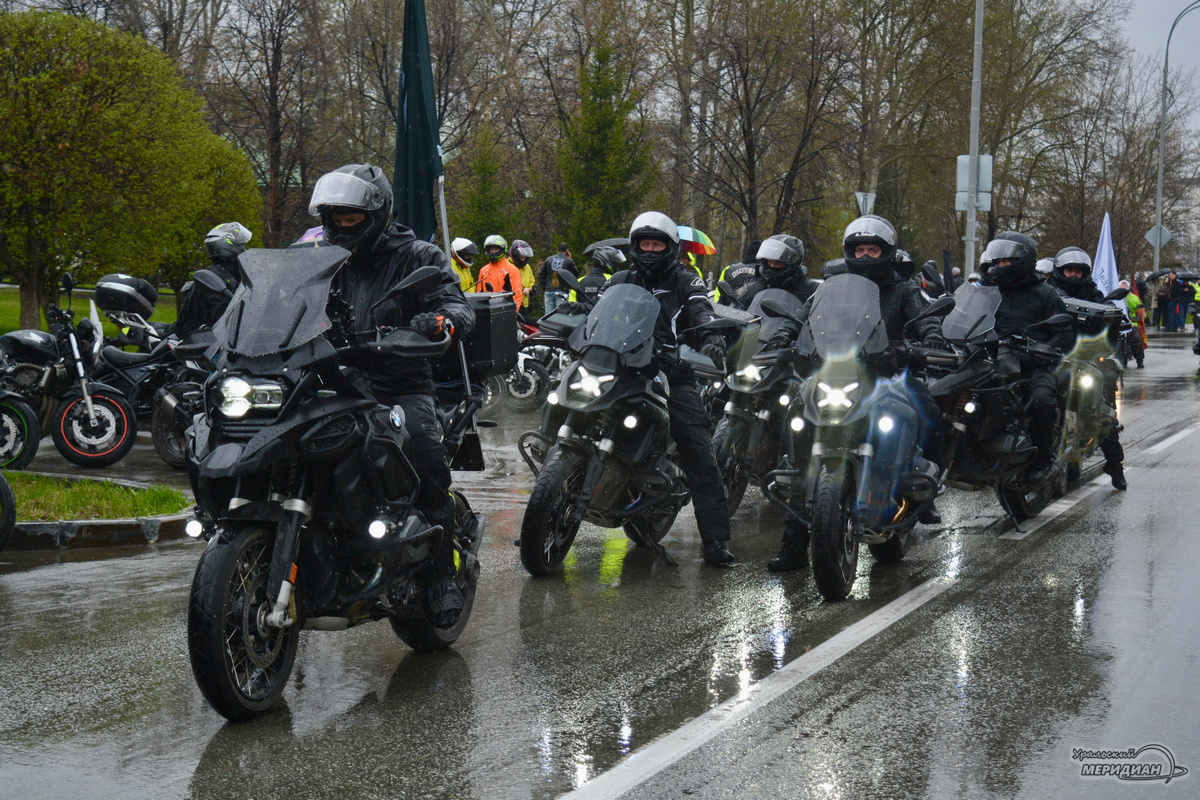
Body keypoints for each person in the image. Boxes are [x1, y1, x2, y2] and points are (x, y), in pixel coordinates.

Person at [309, 163, 476, 626]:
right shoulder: (321, 258)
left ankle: (442, 575)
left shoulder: (417, 255)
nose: (343, 226)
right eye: (336, 218)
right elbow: (285, 301)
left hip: (400, 381)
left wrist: (441, 321)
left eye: (352, 218)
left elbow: (456, 304)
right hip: (334, 379)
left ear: (377, 214)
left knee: (424, 455)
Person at [766, 215, 945, 573]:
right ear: (849, 251)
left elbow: (925, 316)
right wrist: (783, 335)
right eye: (859, 249)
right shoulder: (831, 288)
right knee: (796, 422)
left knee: (929, 413)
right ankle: (793, 545)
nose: (865, 256)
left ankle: (921, 492)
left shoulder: (904, 289)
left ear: (886, 252)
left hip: (887, 375)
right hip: (835, 373)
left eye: (872, 250)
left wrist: (932, 337)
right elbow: (803, 316)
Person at [599, 211, 736, 566]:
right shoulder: (620, 279)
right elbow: (595, 311)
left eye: (656, 245)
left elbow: (702, 311)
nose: (649, 250)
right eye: (644, 244)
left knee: (698, 449)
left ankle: (716, 540)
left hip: (672, 373)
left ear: (670, 248)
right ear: (634, 246)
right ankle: (551, 504)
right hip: (622, 369)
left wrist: (711, 338)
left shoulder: (686, 281)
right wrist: (575, 312)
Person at [982, 232, 1072, 486]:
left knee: (1042, 400)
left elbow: (1064, 333)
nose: (999, 266)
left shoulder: (1045, 294)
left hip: (1035, 363)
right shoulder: (990, 292)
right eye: (997, 262)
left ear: (1022, 261)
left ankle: (1042, 460)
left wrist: (1043, 350)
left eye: (1005, 262)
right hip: (994, 361)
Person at [1049, 247, 1126, 489]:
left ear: (1085, 273)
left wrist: (1115, 318)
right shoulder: (1049, 293)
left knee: (1105, 406)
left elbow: (1107, 314)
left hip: (1087, 357)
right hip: (1054, 356)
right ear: (1060, 271)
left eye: (1078, 271)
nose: (1073, 275)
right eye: (1068, 271)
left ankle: (1114, 464)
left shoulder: (1093, 294)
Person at [174, 222, 251, 337]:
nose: (245, 249)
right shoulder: (214, 278)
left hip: (222, 339)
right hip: (210, 342)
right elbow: (224, 320)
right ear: (230, 245)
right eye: (242, 244)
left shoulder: (232, 274)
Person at [477, 234, 524, 311]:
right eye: (491, 249)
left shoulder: (512, 270)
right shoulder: (483, 270)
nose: (493, 252)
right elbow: (478, 294)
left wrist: (513, 313)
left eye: (496, 249)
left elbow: (517, 295)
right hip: (486, 311)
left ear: (502, 249)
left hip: (504, 310)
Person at [715, 239, 763, 305]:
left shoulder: (728, 270)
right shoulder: (765, 271)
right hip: (755, 310)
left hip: (729, 310)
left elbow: (718, 295)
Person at [538, 243, 577, 314]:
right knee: (560, 315)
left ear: (557, 249)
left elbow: (541, 275)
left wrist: (545, 287)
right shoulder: (568, 261)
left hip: (549, 289)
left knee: (548, 315)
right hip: (562, 291)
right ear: (567, 250)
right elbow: (575, 274)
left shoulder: (548, 259)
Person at [1120, 280, 1146, 368]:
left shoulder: (1133, 297)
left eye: (1125, 291)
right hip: (1118, 321)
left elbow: (1136, 306)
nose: (1123, 293)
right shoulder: (1114, 298)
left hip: (1131, 321)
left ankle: (1140, 360)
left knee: (1136, 339)